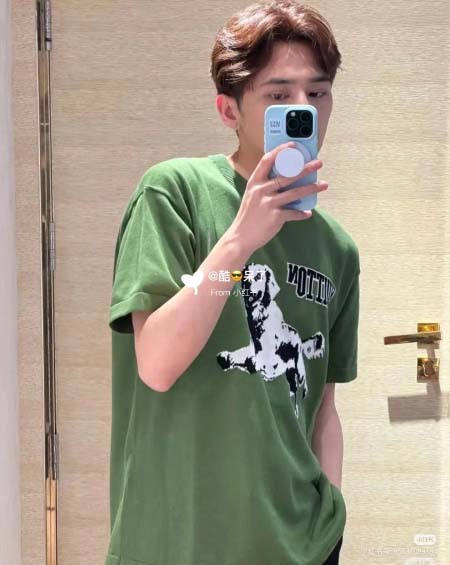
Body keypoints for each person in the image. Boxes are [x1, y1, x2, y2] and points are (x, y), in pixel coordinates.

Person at [106, 1, 359, 564]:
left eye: (318, 93)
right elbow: (156, 365)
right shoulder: (173, 193)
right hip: (177, 541)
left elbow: (321, 405)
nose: (304, 110)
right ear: (229, 110)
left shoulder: (338, 249)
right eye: (279, 95)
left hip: (300, 543)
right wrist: (239, 241)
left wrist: (331, 515)